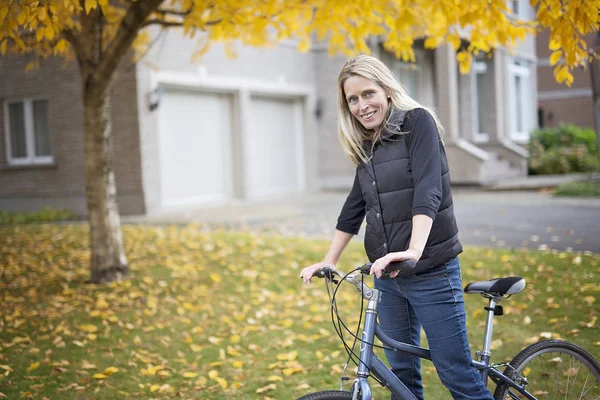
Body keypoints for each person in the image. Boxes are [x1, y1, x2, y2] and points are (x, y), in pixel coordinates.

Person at [300, 55, 493, 400]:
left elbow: (428, 188)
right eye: (353, 99)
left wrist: (414, 250)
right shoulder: (366, 143)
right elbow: (355, 206)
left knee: (456, 376)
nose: (362, 105)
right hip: (387, 276)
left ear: (387, 90)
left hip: (431, 270)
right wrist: (330, 259)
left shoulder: (418, 123)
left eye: (368, 93)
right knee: (399, 377)